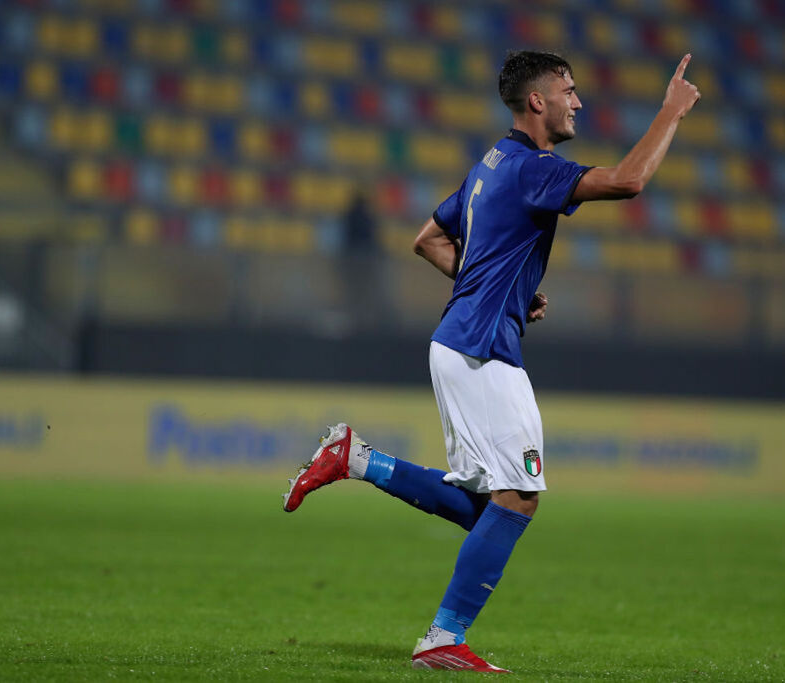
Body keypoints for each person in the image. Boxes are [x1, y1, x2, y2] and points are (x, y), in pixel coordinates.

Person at [283, 50, 700, 672]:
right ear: (538, 101)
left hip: (464, 339)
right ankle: (442, 638)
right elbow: (628, 181)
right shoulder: (533, 168)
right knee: (520, 497)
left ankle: (357, 458)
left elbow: (427, 239)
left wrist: (499, 289)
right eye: (569, 90)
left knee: (493, 508)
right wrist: (670, 112)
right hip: (481, 349)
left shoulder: (490, 165)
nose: (578, 101)